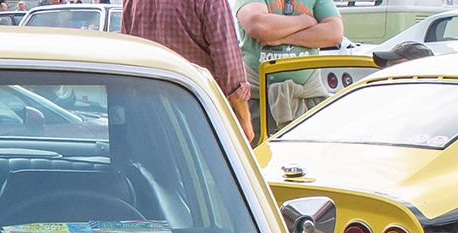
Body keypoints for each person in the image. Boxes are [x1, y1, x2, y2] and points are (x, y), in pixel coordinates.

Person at [123, 0, 253, 142]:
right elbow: (228, 62)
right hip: (195, 109)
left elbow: (127, 51)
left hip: (144, 108)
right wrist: (243, 118)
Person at [235, 0, 342, 138]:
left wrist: (278, 38)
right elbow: (258, 26)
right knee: (257, 156)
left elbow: (334, 33)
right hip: (256, 102)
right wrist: (306, 21)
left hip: (307, 103)